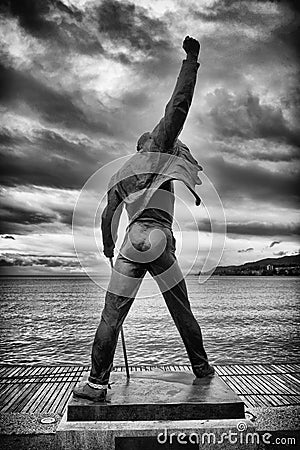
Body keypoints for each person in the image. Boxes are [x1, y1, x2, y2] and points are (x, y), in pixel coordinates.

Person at [73, 36, 214, 402]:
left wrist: (107, 245)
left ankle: (96, 384)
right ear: (150, 143)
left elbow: (108, 216)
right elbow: (177, 106)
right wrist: (191, 60)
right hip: (160, 241)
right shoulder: (160, 151)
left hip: (131, 242)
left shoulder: (121, 174)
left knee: (111, 316)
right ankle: (202, 368)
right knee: (181, 308)